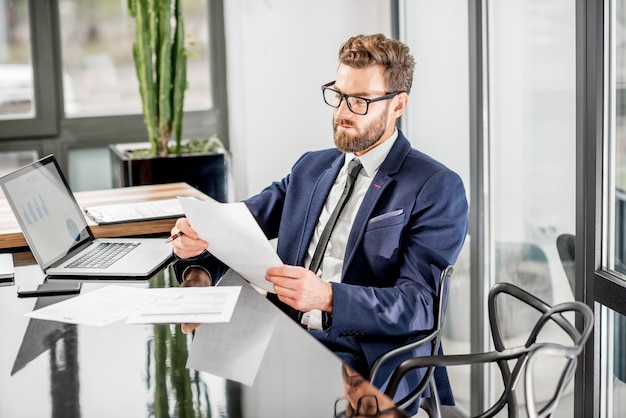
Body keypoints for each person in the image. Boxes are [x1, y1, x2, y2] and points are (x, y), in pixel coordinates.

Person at [170, 33, 468, 413]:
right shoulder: (310, 168)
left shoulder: (434, 186)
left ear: (398, 105)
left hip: (366, 357)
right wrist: (198, 254)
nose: (342, 111)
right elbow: (238, 225)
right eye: (338, 94)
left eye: (360, 101)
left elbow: (421, 304)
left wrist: (329, 296)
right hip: (283, 339)